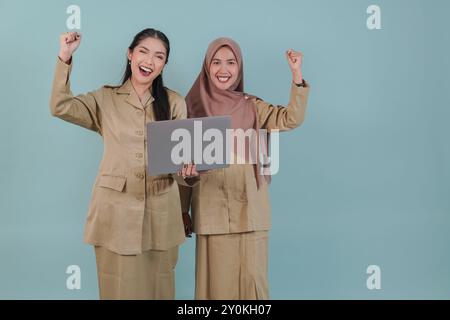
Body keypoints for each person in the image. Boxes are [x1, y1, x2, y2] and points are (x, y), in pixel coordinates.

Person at [49, 28, 198, 300]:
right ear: (130, 54)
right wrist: (65, 57)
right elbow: (60, 106)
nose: (149, 61)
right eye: (143, 51)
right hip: (114, 215)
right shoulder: (105, 99)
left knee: (160, 291)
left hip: (161, 217)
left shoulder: (174, 103)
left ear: (164, 64)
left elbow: (180, 165)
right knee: (118, 291)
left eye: (159, 56)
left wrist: (188, 174)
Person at [179, 37, 310, 299]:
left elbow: (290, 119)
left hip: (251, 210)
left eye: (231, 62)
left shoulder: (252, 106)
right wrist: (183, 209)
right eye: (216, 62)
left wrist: (296, 76)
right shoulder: (191, 108)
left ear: (239, 68)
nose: (223, 69)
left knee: (253, 286)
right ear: (207, 67)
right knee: (215, 288)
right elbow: (183, 167)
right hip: (212, 211)